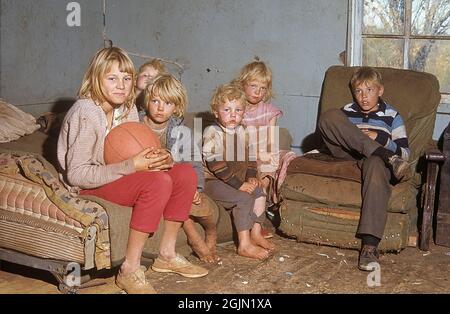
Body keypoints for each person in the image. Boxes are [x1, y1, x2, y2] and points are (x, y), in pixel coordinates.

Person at [57, 47, 208, 294]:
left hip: (118, 175)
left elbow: (141, 147)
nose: (121, 85)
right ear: (96, 78)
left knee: (184, 174)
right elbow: (77, 175)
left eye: (127, 78)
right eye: (112, 78)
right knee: (157, 183)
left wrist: (162, 156)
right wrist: (132, 166)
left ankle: (166, 255)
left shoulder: (125, 108)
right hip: (87, 184)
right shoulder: (86, 113)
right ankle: (129, 269)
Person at [317, 66, 410, 271]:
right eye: (359, 91)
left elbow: (404, 154)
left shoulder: (392, 115)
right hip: (346, 155)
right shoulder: (347, 110)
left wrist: (381, 139)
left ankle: (369, 246)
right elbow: (331, 131)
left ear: (380, 91)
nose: (363, 96)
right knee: (328, 116)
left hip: (375, 162)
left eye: (369, 90)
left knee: (376, 162)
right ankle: (381, 153)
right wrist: (359, 138)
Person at [140, 73, 220, 263]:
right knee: (168, 194)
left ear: (176, 107)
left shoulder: (180, 129)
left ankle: (211, 230)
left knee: (197, 201)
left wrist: (196, 188)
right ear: (147, 101)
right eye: (155, 101)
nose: (160, 108)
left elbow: (193, 161)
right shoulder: (135, 124)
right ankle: (194, 238)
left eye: (168, 103)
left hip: (179, 180)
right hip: (153, 181)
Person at [202, 83, 276, 260]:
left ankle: (256, 233)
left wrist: (251, 178)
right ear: (216, 112)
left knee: (259, 191)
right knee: (243, 197)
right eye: (227, 110)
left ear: (244, 113)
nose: (233, 115)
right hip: (213, 182)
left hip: (238, 179)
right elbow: (216, 165)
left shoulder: (243, 131)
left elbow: (250, 159)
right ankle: (244, 245)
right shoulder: (212, 132)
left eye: (238, 110)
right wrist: (240, 185)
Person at [234, 60, 296, 237]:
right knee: (251, 164)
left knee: (286, 158)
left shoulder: (269, 111)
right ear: (242, 84)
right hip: (245, 153)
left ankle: (268, 207)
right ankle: (256, 221)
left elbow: (271, 141)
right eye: (253, 86)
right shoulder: (237, 107)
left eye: (262, 88)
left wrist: (268, 166)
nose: (257, 92)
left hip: (265, 150)